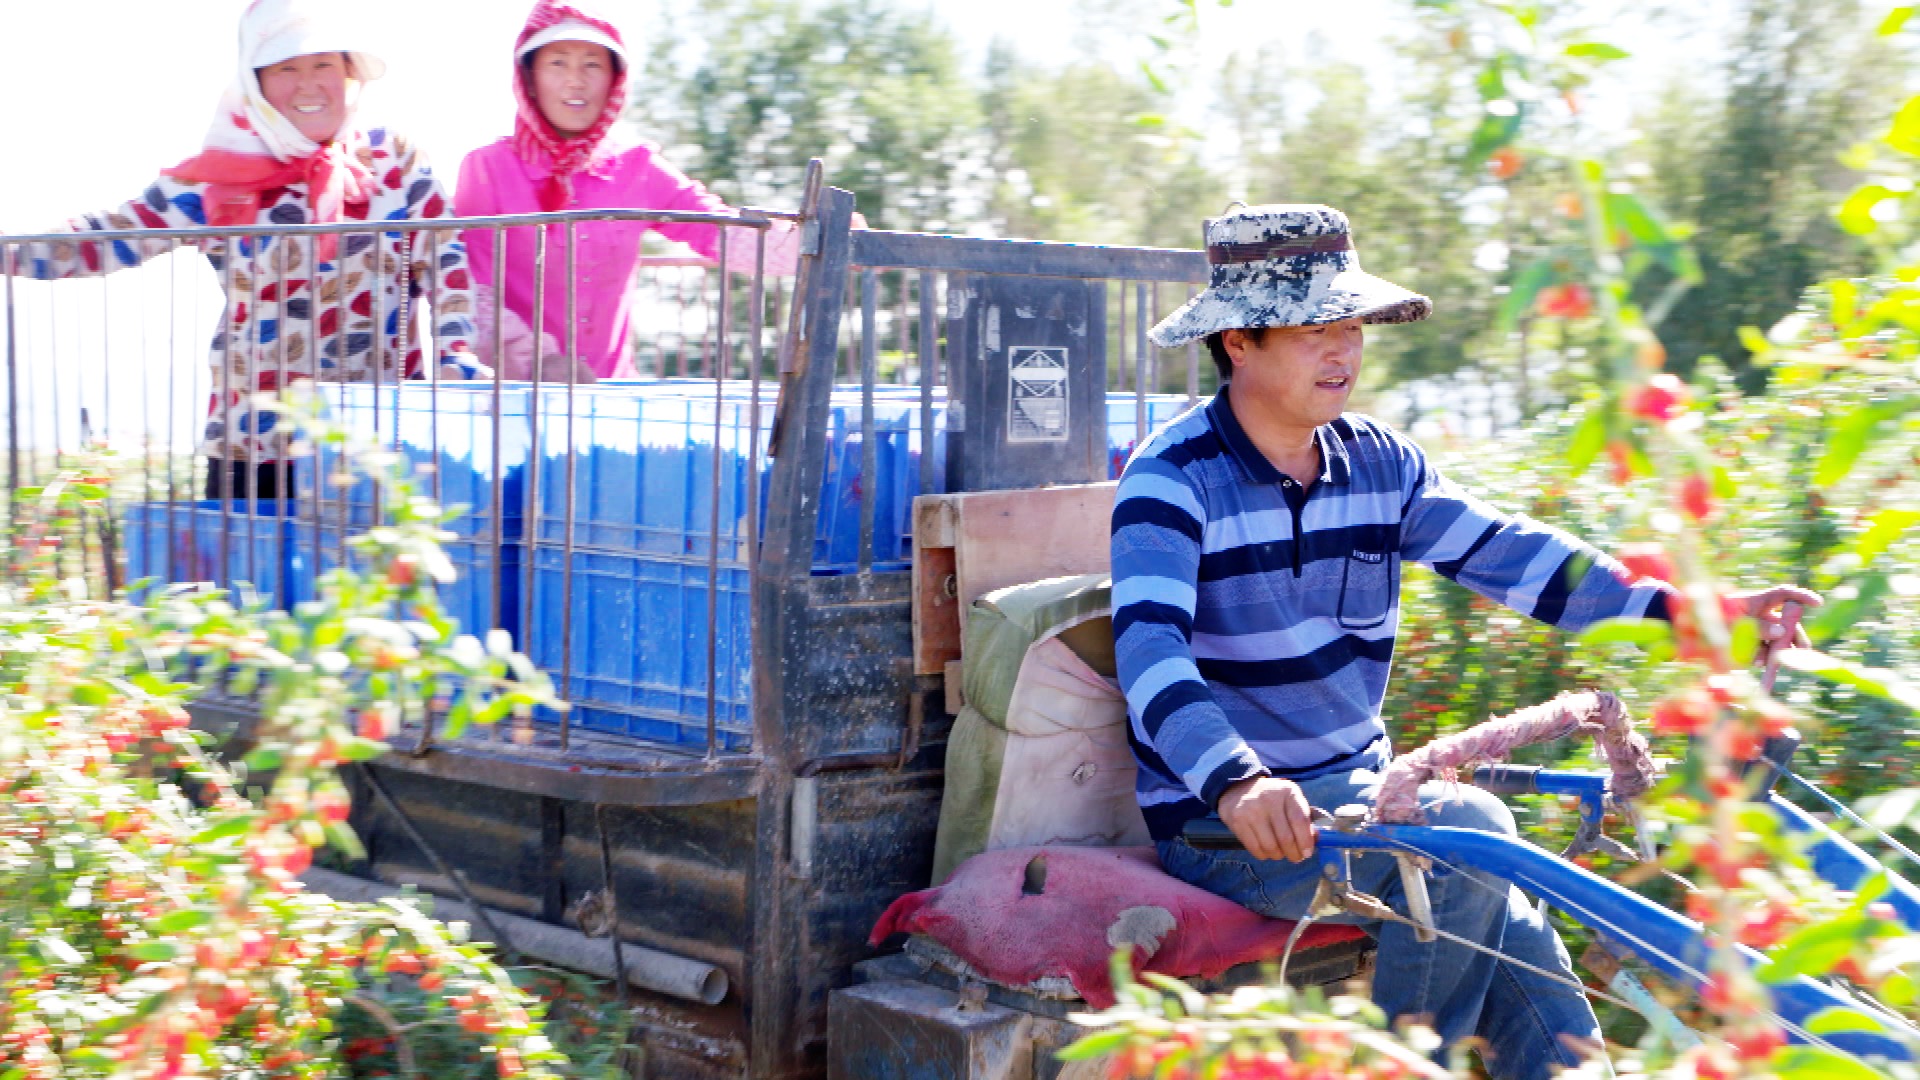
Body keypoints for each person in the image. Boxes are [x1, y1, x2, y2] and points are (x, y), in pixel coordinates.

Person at [1111, 204, 1821, 1079]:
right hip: (1239, 827)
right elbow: (1149, 648)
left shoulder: (1380, 464)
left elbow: (1522, 559)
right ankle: (1411, 1067)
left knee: (1530, 949)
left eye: (1353, 327)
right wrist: (1236, 781)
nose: (1344, 351)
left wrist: (1703, 616)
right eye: (1312, 331)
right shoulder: (1172, 478)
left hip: (1365, 793)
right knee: (1472, 831)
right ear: (1239, 344)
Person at [0, 0, 483, 499]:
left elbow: (446, 260)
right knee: (252, 579)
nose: (308, 83)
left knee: (377, 575)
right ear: (255, 81)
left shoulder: (394, 159)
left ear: (349, 72)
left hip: (380, 437)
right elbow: (109, 236)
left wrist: (455, 350)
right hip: (254, 445)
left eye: (324, 64)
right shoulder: (214, 179)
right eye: (285, 68)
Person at [455, 0, 802, 382]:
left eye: (592, 64)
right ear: (530, 80)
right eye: (557, 63)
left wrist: (812, 243)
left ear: (614, 81)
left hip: (612, 398)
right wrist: (540, 361)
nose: (576, 80)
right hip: (514, 399)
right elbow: (472, 289)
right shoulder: (487, 167)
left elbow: (718, 229)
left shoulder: (637, 167)